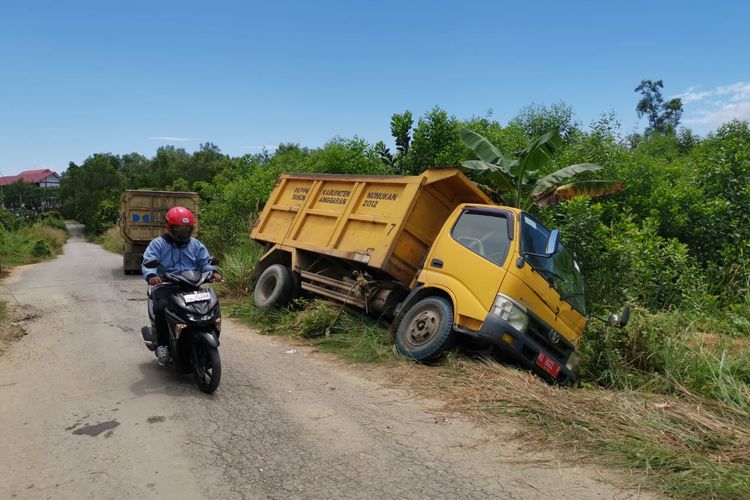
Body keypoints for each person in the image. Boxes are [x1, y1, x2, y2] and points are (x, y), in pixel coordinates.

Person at [141, 206, 223, 365]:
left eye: (186, 230)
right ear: (169, 228)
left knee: (210, 307)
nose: (182, 234)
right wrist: (151, 275)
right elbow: (148, 263)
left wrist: (213, 272)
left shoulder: (196, 245)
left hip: (191, 285)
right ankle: (163, 345)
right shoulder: (158, 244)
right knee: (161, 308)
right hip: (166, 285)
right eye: (178, 229)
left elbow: (205, 263)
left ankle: (202, 336)